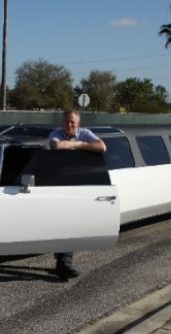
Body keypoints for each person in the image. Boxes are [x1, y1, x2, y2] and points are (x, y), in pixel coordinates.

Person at [47, 110, 106, 280]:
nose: (69, 125)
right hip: (57, 182)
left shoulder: (85, 133)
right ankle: (64, 263)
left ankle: (63, 261)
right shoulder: (57, 133)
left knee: (69, 221)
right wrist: (81, 145)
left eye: (73, 122)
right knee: (66, 220)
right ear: (62, 123)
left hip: (78, 183)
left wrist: (77, 145)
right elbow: (56, 145)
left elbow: (102, 147)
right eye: (67, 122)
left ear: (78, 124)